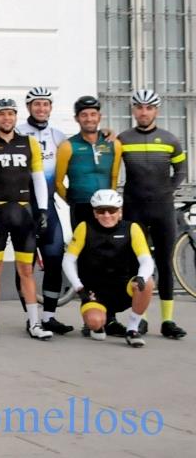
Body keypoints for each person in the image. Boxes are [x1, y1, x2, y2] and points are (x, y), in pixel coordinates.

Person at [0, 98, 52, 340]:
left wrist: (43, 210)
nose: (6, 118)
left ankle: (35, 323)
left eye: (10, 114)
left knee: (26, 270)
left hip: (24, 213)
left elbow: (38, 178)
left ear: (16, 117)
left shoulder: (30, 143)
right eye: (1, 114)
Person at [118, 88, 187, 339]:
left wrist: (166, 191)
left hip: (162, 209)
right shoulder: (123, 139)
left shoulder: (170, 139)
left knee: (165, 263)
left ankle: (168, 320)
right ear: (134, 110)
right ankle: (142, 318)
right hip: (134, 208)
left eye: (148, 108)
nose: (143, 112)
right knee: (138, 264)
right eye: (139, 107)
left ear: (156, 110)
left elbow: (181, 170)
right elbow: (112, 167)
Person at [15, 87, 74, 336]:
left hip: (48, 207)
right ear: (29, 107)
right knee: (24, 265)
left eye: (45, 104)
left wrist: (106, 134)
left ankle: (49, 317)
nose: (41, 109)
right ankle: (32, 318)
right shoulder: (17, 132)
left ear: (50, 108)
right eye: (36, 104)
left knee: (54, 260)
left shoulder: (58, 136)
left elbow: (82, 144)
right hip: (23, 207)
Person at [63, 189, 152, 347]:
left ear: (120, 212)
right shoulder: (84, 227)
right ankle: (96, 325)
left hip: (123, 287)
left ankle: (132, 329)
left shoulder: (132, 228)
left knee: (148, 283)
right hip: (94, 292)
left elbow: (146, 260)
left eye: (111, 210)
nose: (106, 215)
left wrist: (141, 277)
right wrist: (79, 288)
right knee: (95, 322)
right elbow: (68, 260)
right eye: (101, 211)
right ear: (95, 213)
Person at [55, 96, 121, 234]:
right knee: (83, 248)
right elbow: (58, 182)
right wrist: (71, 200)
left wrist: (113, 201)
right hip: (80, 205)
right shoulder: (67, 146)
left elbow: (114, 176)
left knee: (109, 248)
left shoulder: (113, 143)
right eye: (84, 115)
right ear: (77, 118)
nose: (89, 119)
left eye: (93, 114)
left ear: (99, 117)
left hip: (107, 207)